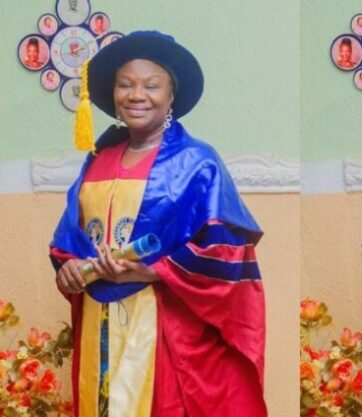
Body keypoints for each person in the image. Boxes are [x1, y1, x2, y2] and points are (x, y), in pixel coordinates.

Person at [50, 31, 267, 417]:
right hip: (99, 327)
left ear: (171, 96)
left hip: (166, 331)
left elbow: (229, 250)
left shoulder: (196, 162)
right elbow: (71, 237)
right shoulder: (99, 159)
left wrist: (153, 271)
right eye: (125, 85)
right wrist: (68, 268)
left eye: (151, 86)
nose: (137, 95)